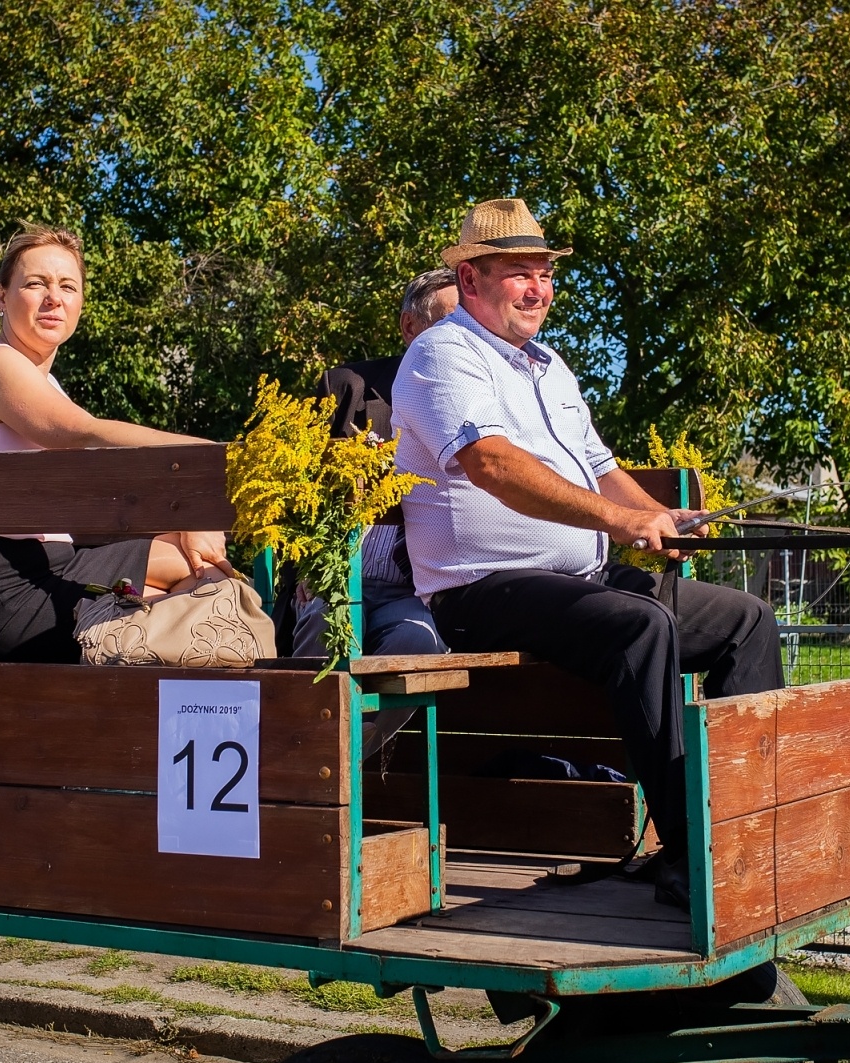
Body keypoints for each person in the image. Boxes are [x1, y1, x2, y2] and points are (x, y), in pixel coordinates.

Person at [391, 199, 783, 910]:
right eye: (520, 273)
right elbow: (491, 464)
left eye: (544, 272)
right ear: (471, 278)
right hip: (480, 590)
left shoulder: (549, 365)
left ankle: (744, 829)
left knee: (747, 621)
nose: (539, 288)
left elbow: (599, 465)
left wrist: (659, 516)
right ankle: (690, 856)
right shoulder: (441, 355)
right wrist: (621, 520)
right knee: (639, 626)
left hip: (580, 578)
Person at [0, 224, 235, 663]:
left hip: (51, 570)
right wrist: (215, 459)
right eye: (36, 283)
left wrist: (188, 515)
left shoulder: (46, 384)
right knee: (203, 576)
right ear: (1, 297)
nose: (54, 297)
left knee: (202, 565)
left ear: (80, 304)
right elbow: (81, 431)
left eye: (67, 286)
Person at [291, 269, 458, 665]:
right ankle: (309, 728)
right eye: (449, 325)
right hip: (339, 575)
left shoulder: (479, 403)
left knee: (419, 645)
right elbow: (297, 483)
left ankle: (354, 732)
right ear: (409, 327)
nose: (462, 340)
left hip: (419, 589)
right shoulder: (347, 388)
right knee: (325, 630)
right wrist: (312, 562)